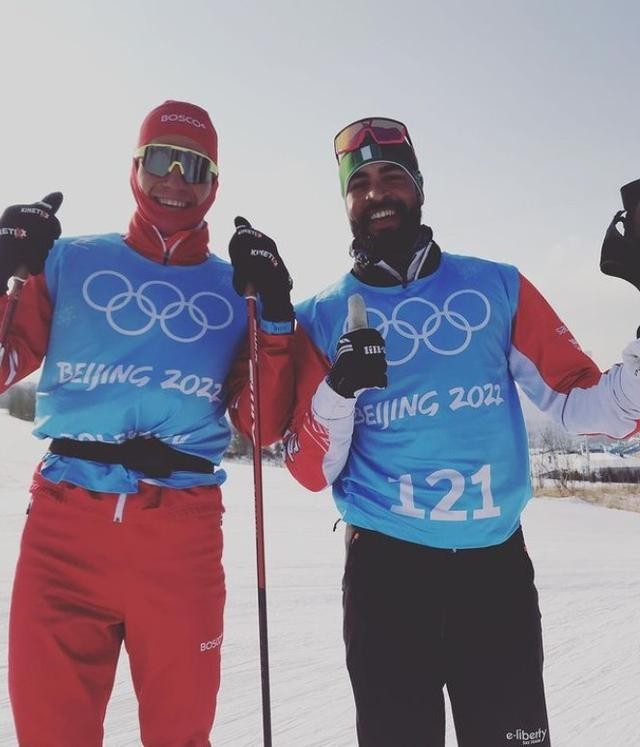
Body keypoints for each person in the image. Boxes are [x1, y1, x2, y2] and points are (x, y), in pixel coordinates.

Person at [282, 117, 640, 747]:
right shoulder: (318, 316)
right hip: (385, 576)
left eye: (392, 175)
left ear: (418, 187)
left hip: (492, 574)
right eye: (358, 183)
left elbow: (599, 410)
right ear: (345, 203)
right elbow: (312, 470)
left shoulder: (495, 286)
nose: (376, 192)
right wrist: (339, 389)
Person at [0, 100, 294, 747]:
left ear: (214, 183)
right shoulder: (70, 261)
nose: (176, 178)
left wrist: (273, 311)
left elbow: (263, 420)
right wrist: (3, 273)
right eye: (161, 159)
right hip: (65, 528)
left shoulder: (232, 287)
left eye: (195, 165)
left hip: (179, 533)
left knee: (179, 735)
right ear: (135, 166)